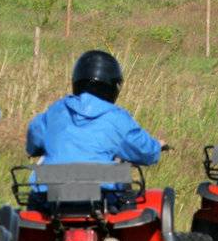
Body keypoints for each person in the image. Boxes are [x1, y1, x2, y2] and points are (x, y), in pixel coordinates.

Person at [27, 50, 164, 166]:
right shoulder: (118, 118)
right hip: (100, 194)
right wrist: (157, 146)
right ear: (113, 87)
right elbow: (145, 151)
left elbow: (34, 138)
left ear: (77, 80)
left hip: (48, 192)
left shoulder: (57, 110)